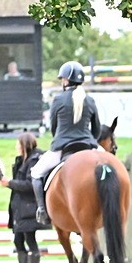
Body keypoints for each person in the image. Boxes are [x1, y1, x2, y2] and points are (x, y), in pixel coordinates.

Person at [29, 60, 101, 226]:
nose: (62, 82)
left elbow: (54, 128)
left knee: (36, 173)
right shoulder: (90, 100)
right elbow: (96, 129)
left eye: (62, 79)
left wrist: (60, 138)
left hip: (63, 149)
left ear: (67, 80)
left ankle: (42, 210)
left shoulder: (59, 99)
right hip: (88, 146)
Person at [1, 133, 46, 263]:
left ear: (24, 145)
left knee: (30, 241)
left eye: (18, 144)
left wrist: (10, 183)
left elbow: (29, 185)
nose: (16, 147)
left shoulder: (34, 161)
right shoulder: (22, 161)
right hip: (19, 208)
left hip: (28, 208)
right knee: (18, 241)